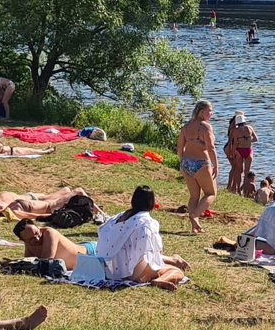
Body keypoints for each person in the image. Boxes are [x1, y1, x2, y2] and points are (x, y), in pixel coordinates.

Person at [96, 186, 190, 289]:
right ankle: (160, 280)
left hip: (107, 269)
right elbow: (151, 251)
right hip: (130, 273)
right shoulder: (146, 222)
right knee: (176, 271)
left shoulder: (117, 218)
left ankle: (167, 268)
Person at [177, 99, 218, 234]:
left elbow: (180, 148)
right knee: (211, 193)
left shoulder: (187, 126)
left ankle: (194, 226)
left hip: (186, 162)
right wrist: (216, 165)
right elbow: (211, 148)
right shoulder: (206, 127)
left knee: (194, 196)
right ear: (202, 112)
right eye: (209, 111)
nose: (211, 113)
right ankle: (194, 215)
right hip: (200, 163)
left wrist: (182, 162)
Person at [15, 218, 83, 270]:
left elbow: (46, 262)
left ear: (38, 227)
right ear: (23, 240)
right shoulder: (28, 239)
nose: (37, 239)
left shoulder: (49, 233)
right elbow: (28, 260)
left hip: (89, 252)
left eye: (37, 233)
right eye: (31, 239)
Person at [226, 113, 257, 193]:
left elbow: (235, 143)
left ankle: (238, 189)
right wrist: (248, 141)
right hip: (248, 150)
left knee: (239, 171)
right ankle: (246, 190)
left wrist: (232, 153)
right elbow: (256, 139)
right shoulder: (250, 128)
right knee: (247, 171)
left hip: (239, 150)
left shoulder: (236, 130)